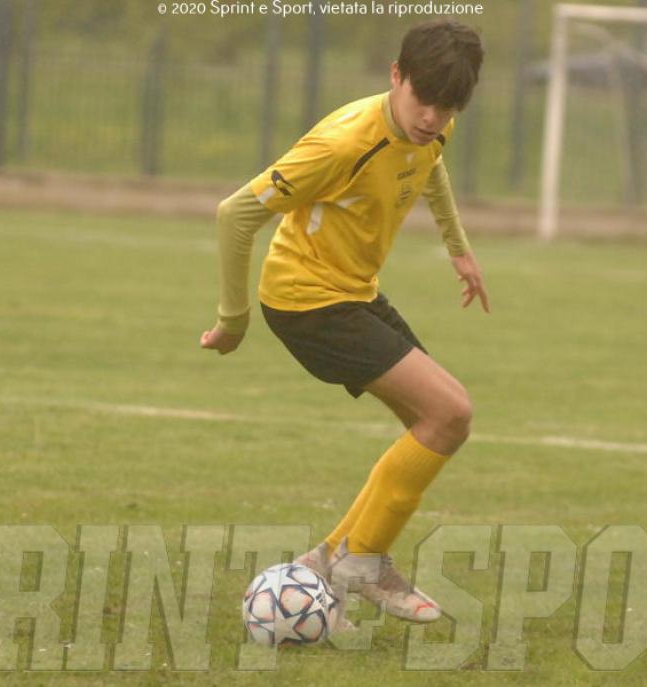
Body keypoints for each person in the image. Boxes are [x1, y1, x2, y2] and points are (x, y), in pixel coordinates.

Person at [200, 19, 488, 630]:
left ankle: (331, 559)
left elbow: (430, 163)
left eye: (447, 107)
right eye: (424, 99)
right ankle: (363, 560)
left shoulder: (433, 123)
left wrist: (458, 247)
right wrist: (232, 320)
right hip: (306, 301)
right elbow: (235, 214)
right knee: (449, 413)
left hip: (356, 293)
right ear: (395, 75)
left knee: (433, 422)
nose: (432, 118)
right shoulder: (342, 143)